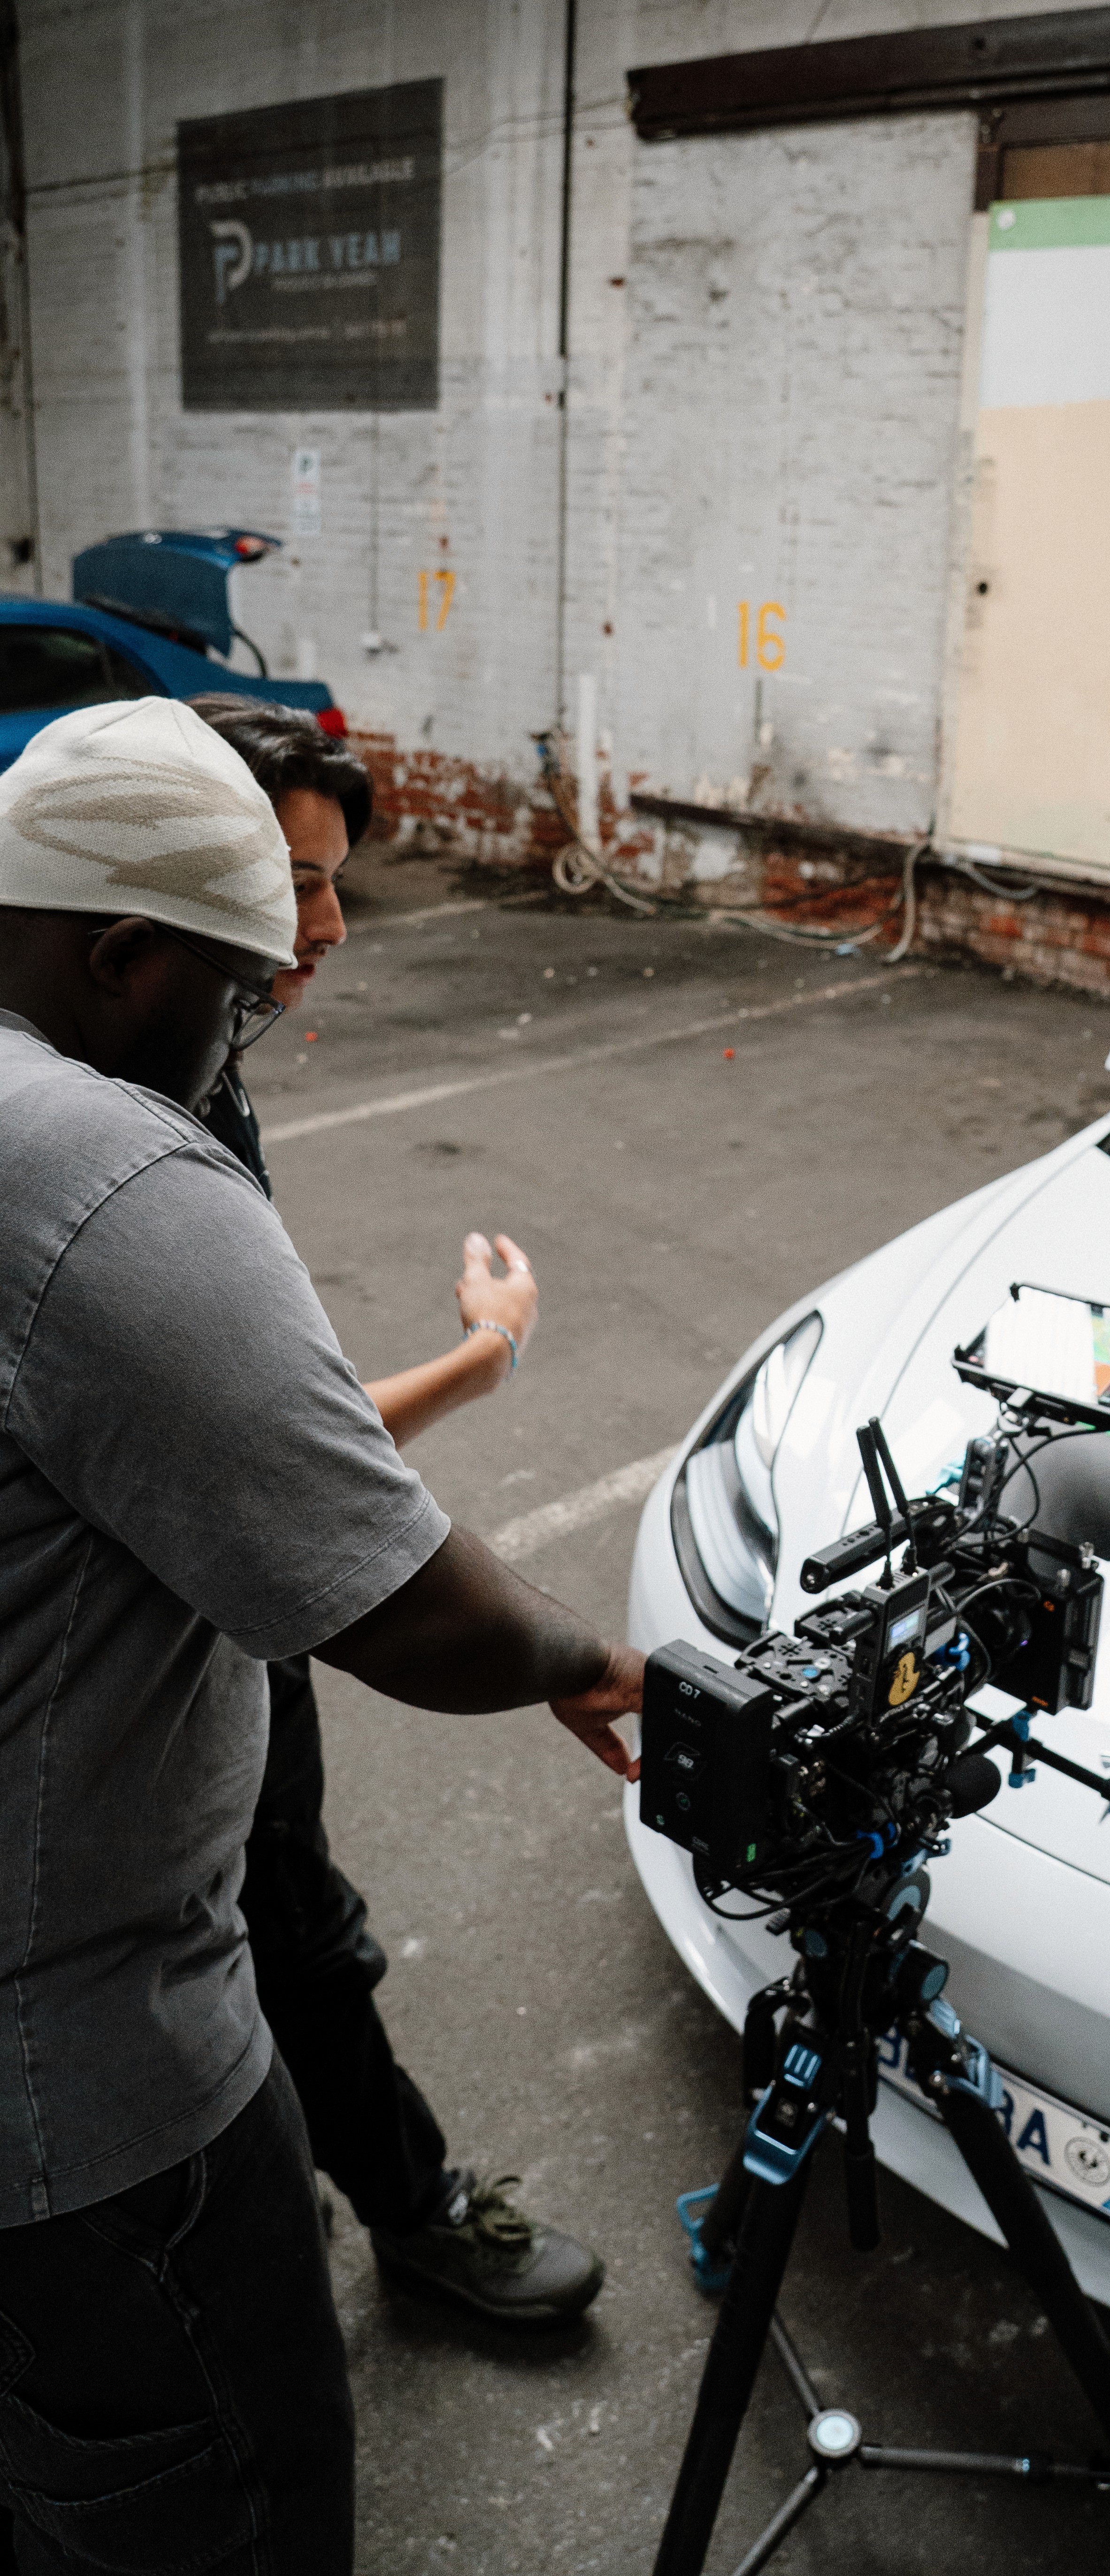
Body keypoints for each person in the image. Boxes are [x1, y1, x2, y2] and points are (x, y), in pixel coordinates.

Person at [0, 697, 642, 2574]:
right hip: (86, 2119)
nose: (262, 1018)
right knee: (218, 2504)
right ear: (124, 956)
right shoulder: (99, 1166)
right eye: (244, 980)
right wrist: (598, 1666)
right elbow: (399, 1602)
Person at [187, 695, 599, 2323]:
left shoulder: (194, 1067)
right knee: (292, 1922)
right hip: (200, 1633)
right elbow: (284, 1468)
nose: (333, 926)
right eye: (295, 884)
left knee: (277, 1926)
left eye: (331, 879)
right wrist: (487, 1360)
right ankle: (413, 2219)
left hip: (206, 1604)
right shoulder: (142, 1110)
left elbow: (259, 1423)